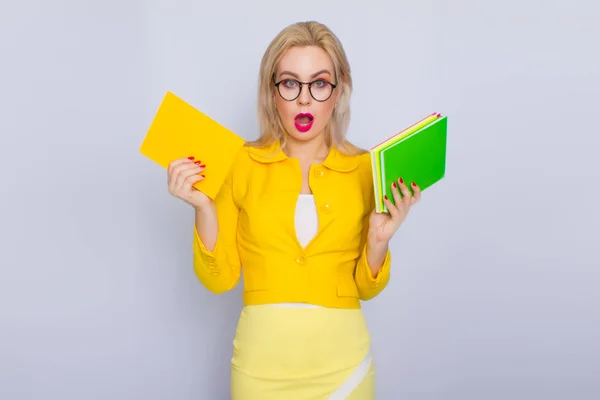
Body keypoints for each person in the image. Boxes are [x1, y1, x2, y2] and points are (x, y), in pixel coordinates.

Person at [167, 21, 421, 400]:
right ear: (272, 93)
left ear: (339, 92)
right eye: (290, 83)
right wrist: (203, 207)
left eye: (319, 83)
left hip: (344, 368)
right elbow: (218, 280)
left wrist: (379, 242)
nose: (305, 99)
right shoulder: (239, 163)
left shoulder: (369, 169)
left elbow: (367, 289)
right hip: (260, 371)